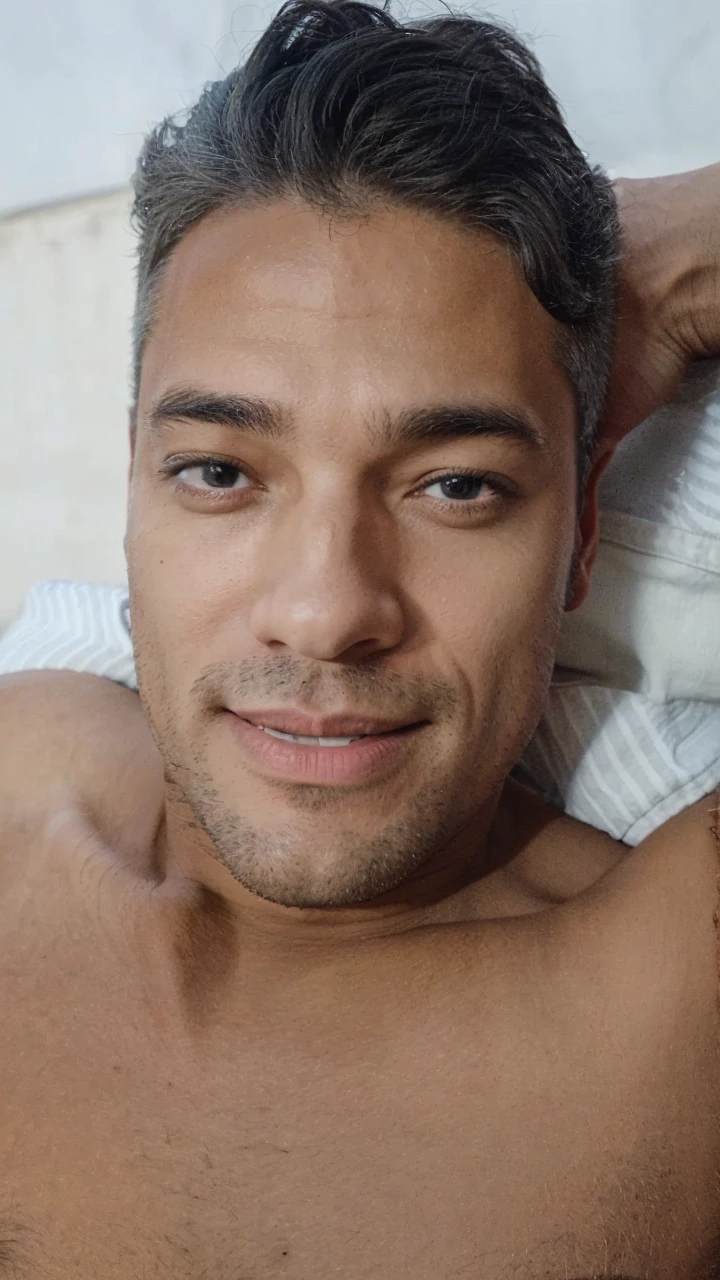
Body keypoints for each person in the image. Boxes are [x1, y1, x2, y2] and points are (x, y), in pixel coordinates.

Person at [1, 3, 720, 1275]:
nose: (329, 610)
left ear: (585, 533)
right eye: (220, 470)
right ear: (131, 491)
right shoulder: (20, 781)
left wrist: (673, 259)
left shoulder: (675, 986)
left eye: (456, 486)